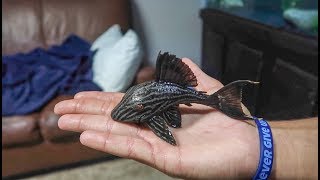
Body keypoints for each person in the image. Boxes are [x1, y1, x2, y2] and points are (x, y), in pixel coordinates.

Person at [54, 58, 318, 179]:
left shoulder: (155, 108)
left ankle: (224, 101)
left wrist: (258, 145)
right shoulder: (144, 103)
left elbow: (160, 116)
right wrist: (261, 140)